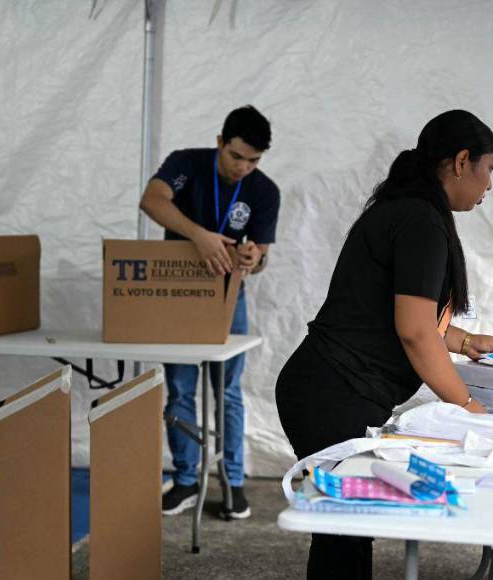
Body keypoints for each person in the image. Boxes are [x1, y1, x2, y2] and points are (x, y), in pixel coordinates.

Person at [276, 110, 493, 579]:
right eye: (489, 169)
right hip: (331, 392)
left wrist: (465, 341)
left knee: (344, 528)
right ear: (462, 162)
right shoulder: (420, 221)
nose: (490, 184)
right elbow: (414, 332)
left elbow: (403, 318)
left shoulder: (409, 211)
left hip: (330, 388)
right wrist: (467, 406)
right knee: (341, 529)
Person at [139, 105, 280, 520]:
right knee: (181, 388)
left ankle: (232, 481)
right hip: (178, 293)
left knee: (228, 391)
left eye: (253, 160)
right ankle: (186, 479)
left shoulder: (264, 190)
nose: (243, 167)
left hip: (228, 298)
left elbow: (262, 255)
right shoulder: (186, 164)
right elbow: (151, 200)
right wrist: (199, 236)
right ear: (220, 142)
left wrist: (254, 258)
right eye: (236, 156)